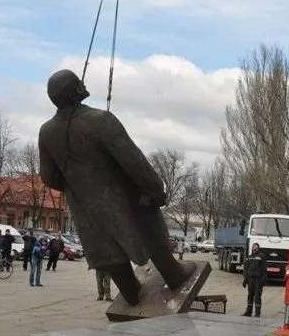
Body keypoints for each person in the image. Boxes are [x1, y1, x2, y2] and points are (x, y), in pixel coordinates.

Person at [38, 70, 195, 305]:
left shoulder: (47, 131)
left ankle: (130, 291)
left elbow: (49, 177)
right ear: (75, 92)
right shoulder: (101, 120)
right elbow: (133, 159)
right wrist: (153, 188)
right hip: (123, 197)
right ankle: (174, 275)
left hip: (84, 205)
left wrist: (77, 185)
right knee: (149, 230)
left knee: (106, 250)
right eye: (78, 83)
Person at [242, 243, 268, 317]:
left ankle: (257, 313)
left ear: (258, 248)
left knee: (257, 296)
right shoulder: (249, 257)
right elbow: (246, 269)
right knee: (250, 296)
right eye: (253, 247)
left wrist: (263, 280)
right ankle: (248, 312)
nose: (254, 248)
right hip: (250, 279)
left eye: (255, 247)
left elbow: (264, 269)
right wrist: (245, 280)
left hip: (258, 280)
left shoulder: (262, 256)